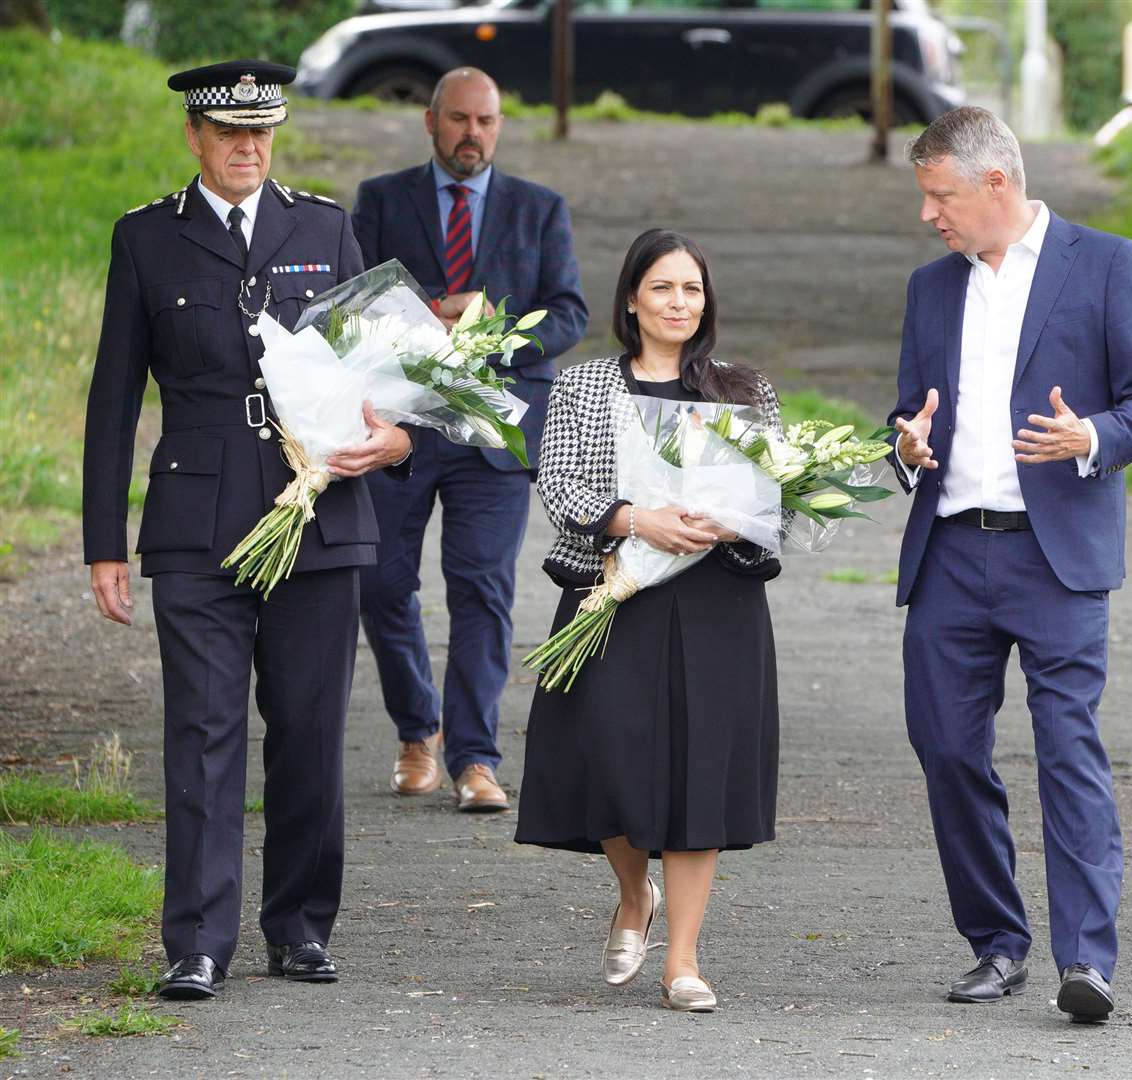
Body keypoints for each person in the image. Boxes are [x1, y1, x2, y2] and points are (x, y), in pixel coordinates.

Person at [82, 60, 414, 1000]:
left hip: (319, 517)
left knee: (308, 731)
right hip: (196, 522)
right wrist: (104, 540)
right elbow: (113, 400)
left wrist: (395, 440)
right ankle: (195, 941)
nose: (246, 148)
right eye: (229, 133)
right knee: (200, 732)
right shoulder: (148, 238)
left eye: (261, 133)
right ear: (195, 136)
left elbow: (384, 372)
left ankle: (300, 927)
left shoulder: (325, 227)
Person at [888, 107, 1132, 1022]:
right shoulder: (930, 288)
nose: (929, 214)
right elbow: (905, 413)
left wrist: (1091, 435)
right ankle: (996, 942)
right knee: (945, 750)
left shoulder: (1104, 263)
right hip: (948, 554)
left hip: (1057, 562)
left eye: (940, 196)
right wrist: (905, 448)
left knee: (1069, 753)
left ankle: (1086, 960)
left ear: (994, 185)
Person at [514, 230, 782, 1013]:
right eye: (662, 288)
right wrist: (636, 519)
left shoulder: (741, 387)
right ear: (632, 298)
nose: (678, 303)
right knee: (606, 752)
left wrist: (733, 522)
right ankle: (634, 893)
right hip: (616, 589)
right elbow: (558, 483)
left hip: (716, 605)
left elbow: (775, 497)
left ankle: (685, 961)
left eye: (691, 290)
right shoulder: (585, 384)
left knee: (702, 770)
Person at [351, 67, 588, 812]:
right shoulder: (382, 201)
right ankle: (416, 731)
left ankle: (475, 759)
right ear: (430, 122)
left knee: (481, 589)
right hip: (400, 427)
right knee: (381, 581)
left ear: (499, 125)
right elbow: (353, 303)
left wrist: (492, 336)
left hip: (494, 430)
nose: (471, 135)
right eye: (457, 120)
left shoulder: (539, 209)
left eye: (485, 121)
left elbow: (569, 313)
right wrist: (426, 319)